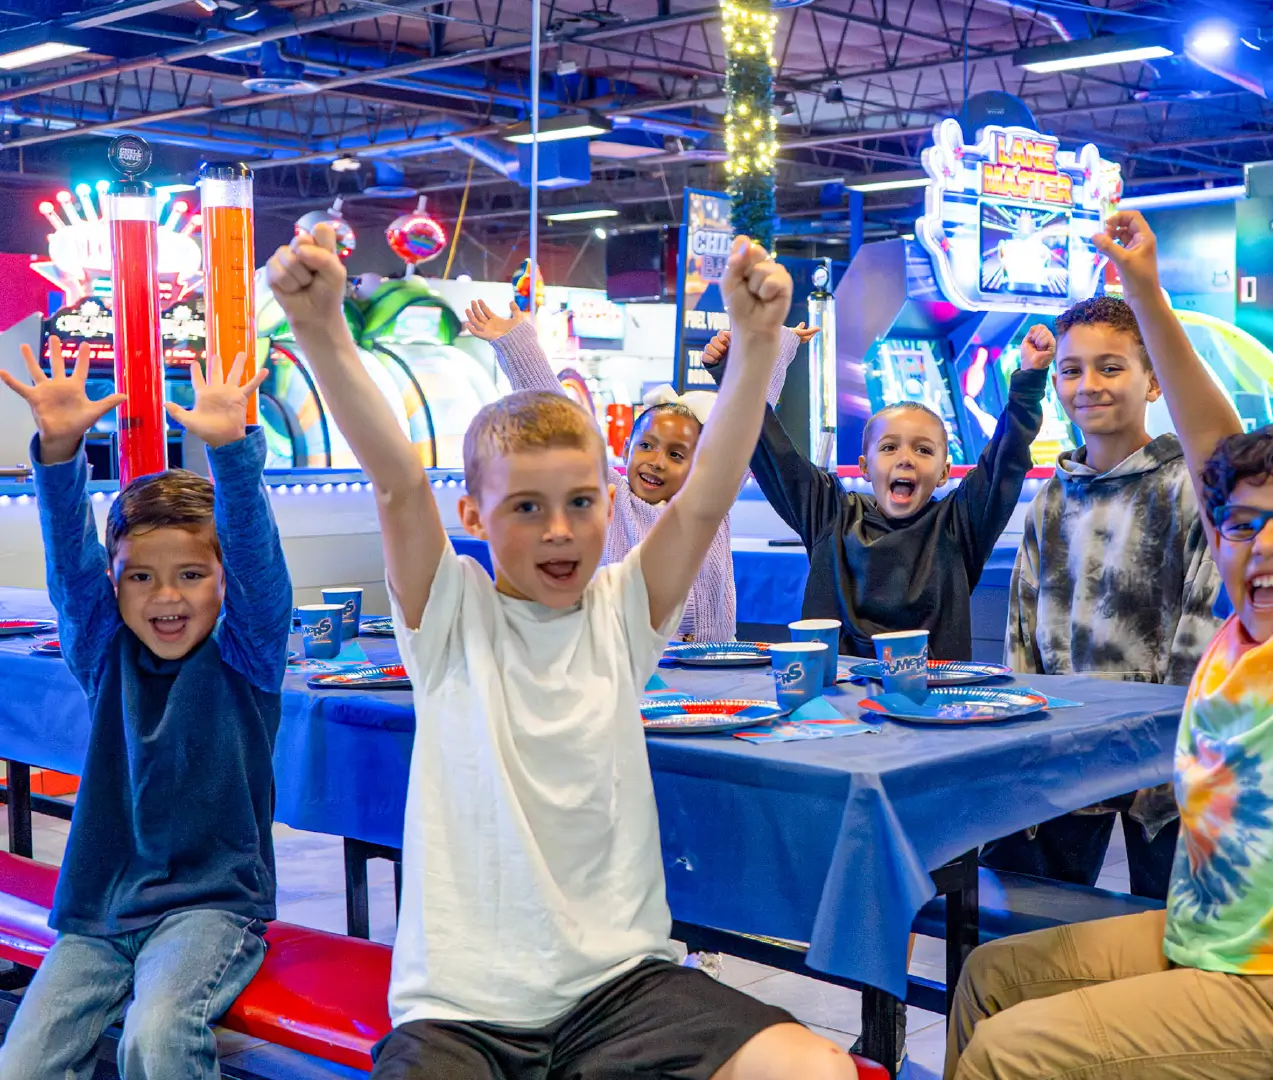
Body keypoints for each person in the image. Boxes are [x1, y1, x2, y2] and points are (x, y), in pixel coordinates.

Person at [269, 226, 854, 1080]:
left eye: (581, 502)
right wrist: (323, 332)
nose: (559, 530)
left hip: (621, 991)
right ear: (472, 518)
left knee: (815, 1070)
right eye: (526, 508)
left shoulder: (621, 611)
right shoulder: (449, 616)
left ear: (608, 500)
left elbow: (700, 504)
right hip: (461, 1014)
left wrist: (757, 348)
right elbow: (396, 480)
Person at [947, 177, 1273, 1080]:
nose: (1266, 545)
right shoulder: (1241, 635)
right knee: (990, 978)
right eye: (1241, 524)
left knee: (1006, 1051)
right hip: (1203, 949)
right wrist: (1142, 285)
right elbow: (1209, 447)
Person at [0, 344, 291, 1080]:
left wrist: (230, 454)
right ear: (116, 583)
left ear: (222, 582)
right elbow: (69, 566)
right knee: (24, 1063)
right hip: (99, 913)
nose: (167, 598)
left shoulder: (246, 657)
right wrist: (60, 453)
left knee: (155, 1038)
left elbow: (257, 564)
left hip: (211, 909)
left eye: (191, 575)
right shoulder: (103, 652)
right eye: (142, 578)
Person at [983, 298, 1225, 901]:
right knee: (1029, 926)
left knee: (1167, 938)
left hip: (1166, 767)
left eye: (1110, 367)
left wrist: (1166, 767)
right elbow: (1021, 637)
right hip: (1062, 757)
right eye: (1071, 370)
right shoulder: (1050, 501)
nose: (1087, 385)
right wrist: (1027, 745)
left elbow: (1202, 638)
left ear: (1152, 381)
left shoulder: (1188, 489)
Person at [464, 299, 813, 642]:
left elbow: (749, 422)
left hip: (716, 664)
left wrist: (778, 344)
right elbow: (559, 422)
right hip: (626, 662)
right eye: (646, 446)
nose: (656, 461)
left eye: (677, 455)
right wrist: (516, 343)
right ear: (627, 450)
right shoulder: (607, 495)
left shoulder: (709, 498)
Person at [701, 329, 1049, 659]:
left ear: (945, 473)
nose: (906, 459)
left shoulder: (960, 527)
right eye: (889, 447)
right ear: (865, 467)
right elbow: (772, 451)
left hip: (929, 706)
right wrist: (733, 377)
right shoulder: (828, 514)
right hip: (836, 708)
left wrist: (1029, 382)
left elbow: (1006, 457)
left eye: (924, 451)